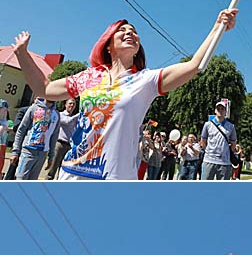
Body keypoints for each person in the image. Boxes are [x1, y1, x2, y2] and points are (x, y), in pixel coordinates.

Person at [11, 9, 237, 180]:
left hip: (115, 178)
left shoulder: (145, 80)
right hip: (73, 174)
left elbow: (195, 65)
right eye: (123, 31)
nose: (131, 34)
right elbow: (44, 89)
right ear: (108, 44)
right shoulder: (89, 76)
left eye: (135, 33)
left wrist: (218, 28)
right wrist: (22, 54)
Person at [10, 97, 60, 180]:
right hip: (28, 151)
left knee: (32, 181)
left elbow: (54, 136)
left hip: (42, 154)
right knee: (20, 178)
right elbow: (21, 130)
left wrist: (51, 156)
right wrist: (15, 151)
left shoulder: (56, 114)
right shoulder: (34, 108)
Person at [200, 100, 237, 180]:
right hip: (209, 160)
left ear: (225, 111)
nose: (220, 111)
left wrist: (227, 152)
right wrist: (208, 151)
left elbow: (233, 143)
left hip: (224, 162)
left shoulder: (231, 126)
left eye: (222, 109)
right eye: (218, 109)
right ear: (215, 111)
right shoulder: (208, 125)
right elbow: (203, 141)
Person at [46, 97, 79, 179]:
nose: (72, 105)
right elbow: (67, 122)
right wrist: (80, 113)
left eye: (74, 104)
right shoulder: (60, 115)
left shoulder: (75, 118)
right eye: (70, 103)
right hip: (59, 145)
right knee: (52, 169)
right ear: (65, 105)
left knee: (63, 171)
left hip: (69, 146)